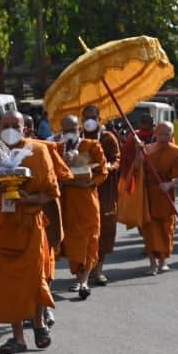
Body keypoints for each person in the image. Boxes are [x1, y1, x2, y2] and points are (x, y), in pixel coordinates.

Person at [0, 109, 63, 353]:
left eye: (16, 125)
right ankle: (18, 337)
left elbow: (51, 193)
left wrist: (27, 198)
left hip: (31, 225)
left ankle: (40, 323)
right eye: (5, 124)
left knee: (35, 278)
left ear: (26, 129)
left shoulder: (39, 151)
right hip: (4, 228)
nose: (10, 129)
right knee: (8, 285)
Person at [56, 113, 107, 299]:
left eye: (73, 129)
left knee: (91, 238)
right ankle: (80, 277)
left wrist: (92, 182)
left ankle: (84, 280)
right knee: (72, 241)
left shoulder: (92, 146)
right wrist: (64, 163)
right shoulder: (57, 147)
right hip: (66, 200)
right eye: (66, 130)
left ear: (80, 129)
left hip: (87, 198)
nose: (70, 133)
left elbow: (103, 171)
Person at [140, 122, 178, 274]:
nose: (164, 136)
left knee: (165, 228)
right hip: (147, 194)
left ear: (172, 135)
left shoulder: (177, 152)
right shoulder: (146, 150)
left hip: (165, 195)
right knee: (148, 229)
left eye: (167, 133)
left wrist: (170, 184)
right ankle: (152, 263)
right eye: (161, 133)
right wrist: (138, 153)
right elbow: (137, 169)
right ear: (155, 133)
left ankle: (162, 261)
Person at [82, 106, 121, 285]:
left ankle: (98, 271)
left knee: (104, 229)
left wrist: (105, 169)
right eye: (85, 117)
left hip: (105, 189)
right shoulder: (78, 138)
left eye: (92, 117)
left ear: (99, 119)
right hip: (83, 188)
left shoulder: (108, 138)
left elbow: (116, 160)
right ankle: (83, 271)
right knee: (84, 230)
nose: (88, 121)